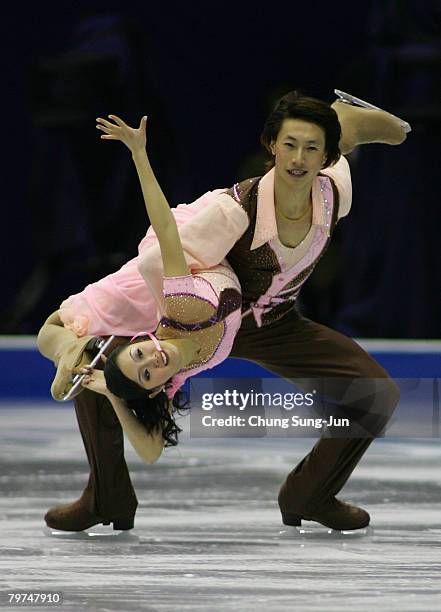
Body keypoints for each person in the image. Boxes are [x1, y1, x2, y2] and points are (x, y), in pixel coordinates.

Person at [39, 89, 407, 532]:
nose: (298, 159)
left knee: (376, 394)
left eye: (312, 149)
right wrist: (170, 314)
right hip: (202, 315)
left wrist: (343, 133)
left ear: (325, 158)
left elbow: (332, 151)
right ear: (271, 146)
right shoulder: (231, 210)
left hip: (273, 323)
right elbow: (160, 255)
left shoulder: (333, 193)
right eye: (288, 145)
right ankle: (108, 498)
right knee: (103, 360)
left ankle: (311, 494)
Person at [38, 115, 242, 530]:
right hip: (202, 277)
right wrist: (115, 393)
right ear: (155, 388)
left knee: (58, 328)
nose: (155, 359)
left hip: (162, 273)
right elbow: (150, 452)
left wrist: (139, 154)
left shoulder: (180, 306)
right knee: (86, 360)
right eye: (148, 373)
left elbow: (165, 227)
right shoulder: (174, 376)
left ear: (140, 339)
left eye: (141, 354)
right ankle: (76, 355)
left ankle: (71, 353)